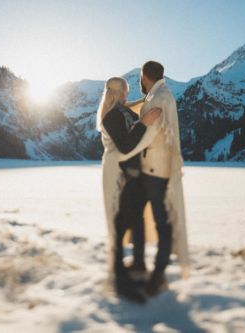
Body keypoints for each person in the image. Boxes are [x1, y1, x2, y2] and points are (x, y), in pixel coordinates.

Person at [119, 61, 190, 296]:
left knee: (161, 223)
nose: (139, 81)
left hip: (157, 173)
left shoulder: (161, 97)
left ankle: (158, 274)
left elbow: (149, 134)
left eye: (140, 76)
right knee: (137, 215)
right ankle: (139, 261)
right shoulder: (155, 95)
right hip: (147, 170)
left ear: (145, 76)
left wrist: (136, 126)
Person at [97, 76, 161, 302]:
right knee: (119, 223)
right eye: (123, 92)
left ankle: (138, 267)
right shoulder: (111, 116)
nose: (126, 96)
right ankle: (119, 277)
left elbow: (134, 120)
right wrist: (144, 123)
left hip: (132, 174)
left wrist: (144, 106)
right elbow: (125, 145)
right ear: (115, 94)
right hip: (118, 174)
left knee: (135, 220)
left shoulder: (123, 112)